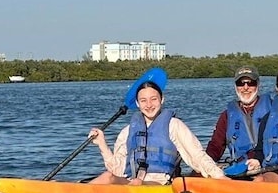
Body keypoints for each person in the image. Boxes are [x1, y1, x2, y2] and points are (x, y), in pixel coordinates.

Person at [88, 77, 226, 185]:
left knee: (136, 183)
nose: (149, 105)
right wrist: (102, 144)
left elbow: (197, 156)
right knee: (107, 176)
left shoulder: (174, 126)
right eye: (143, 100)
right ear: (137, 103)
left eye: (153, 99)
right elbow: (116, 171)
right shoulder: (127, 132)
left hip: (160, 183)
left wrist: (219, 176)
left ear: (162, 99)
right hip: (131, 182)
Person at [205, 65, 272, 165]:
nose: (245, 88)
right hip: (241, 169)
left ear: (258, 85)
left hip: (267, 166)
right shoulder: (227, 116)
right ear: (235, 86)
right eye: (240, 83)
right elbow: (215, 146)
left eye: (251, 83)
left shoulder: (273, 110)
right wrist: (204, 163)